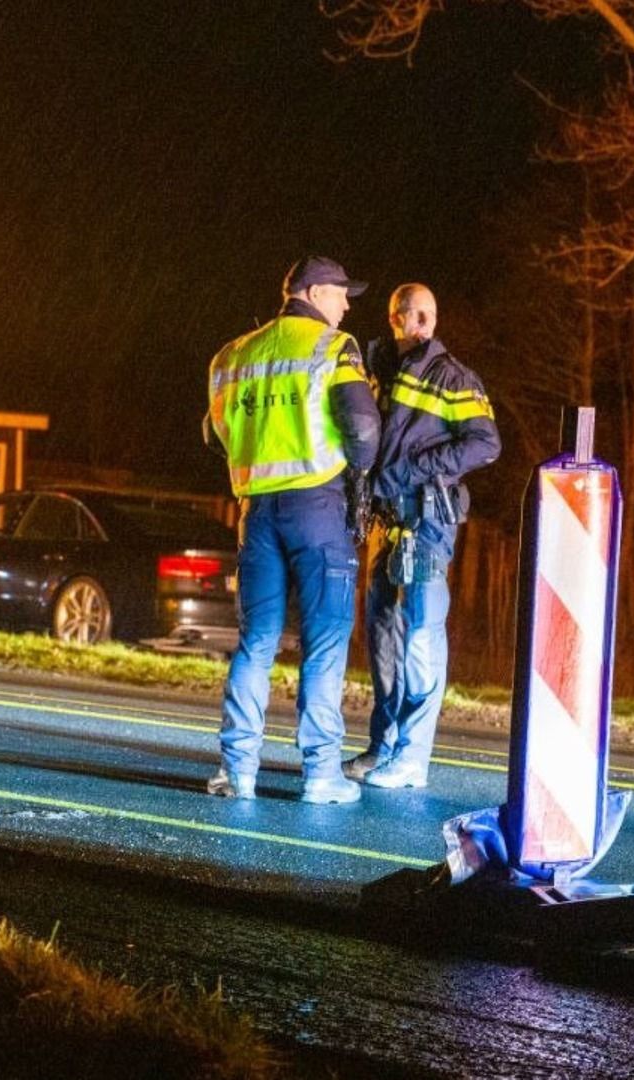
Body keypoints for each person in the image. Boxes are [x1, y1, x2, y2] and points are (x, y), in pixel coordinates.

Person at [204, 256, 380, 804]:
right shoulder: (333, 346)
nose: (347, 305)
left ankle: (238, 772)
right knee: (324, 644)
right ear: (314, 292)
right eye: (341, 293)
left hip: (256, 512)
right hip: (318, 507)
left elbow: (213, 434)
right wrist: (361, 470)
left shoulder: (233, 354)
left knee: (255, 643)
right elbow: (364, 426)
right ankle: (322, 775)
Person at [345, 284, 500, 788]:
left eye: (431, 315)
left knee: (420, 639)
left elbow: (485, 444)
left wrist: (414, 470)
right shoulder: (378, 371)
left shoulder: (453, 377)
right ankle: (383, 746)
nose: (427, 323)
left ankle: (412, 759)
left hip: (428, 524)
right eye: (418, 315)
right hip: (389, 526)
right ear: (397, 318)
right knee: (383, 638)